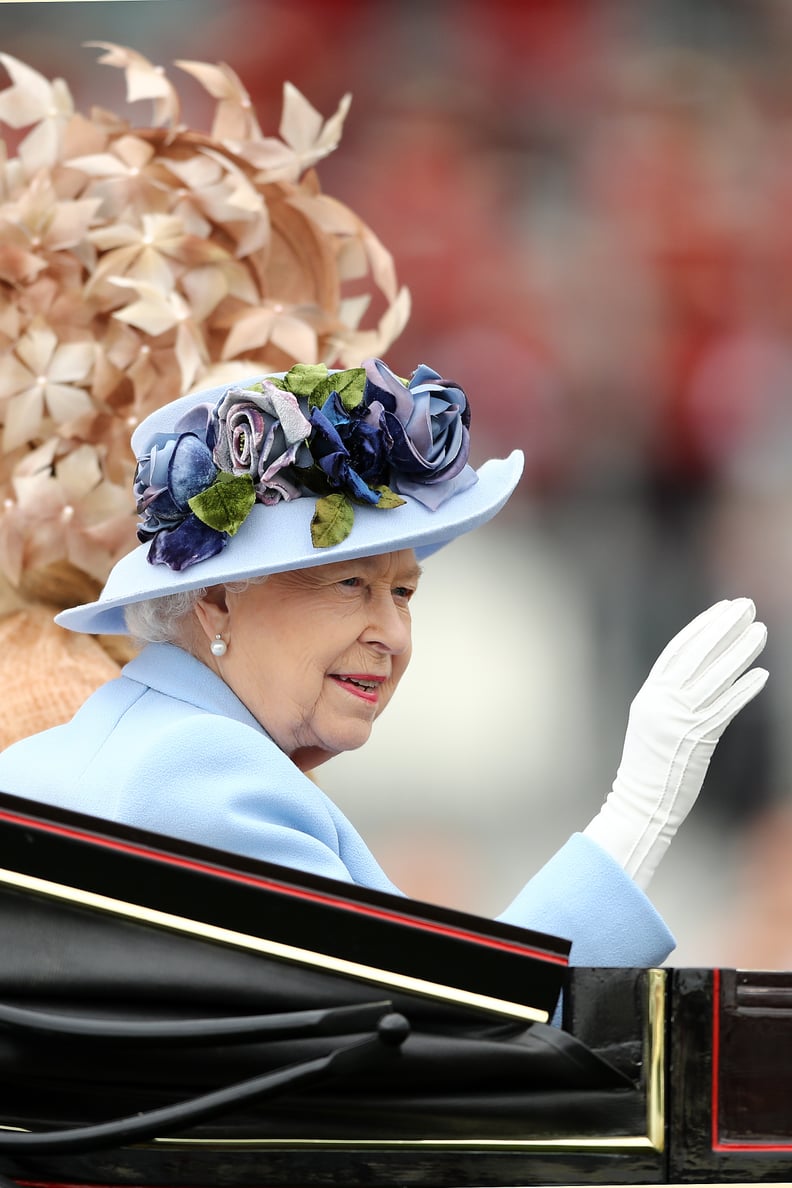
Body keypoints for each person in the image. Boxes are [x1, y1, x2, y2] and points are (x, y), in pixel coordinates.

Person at [0, 357, 769, 969]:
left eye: (402, 593)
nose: (392, 634)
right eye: (349, 586)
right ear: (219, 604)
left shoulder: (73, 751)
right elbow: (453, 1052)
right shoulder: (202, 773)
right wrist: (638, 815)